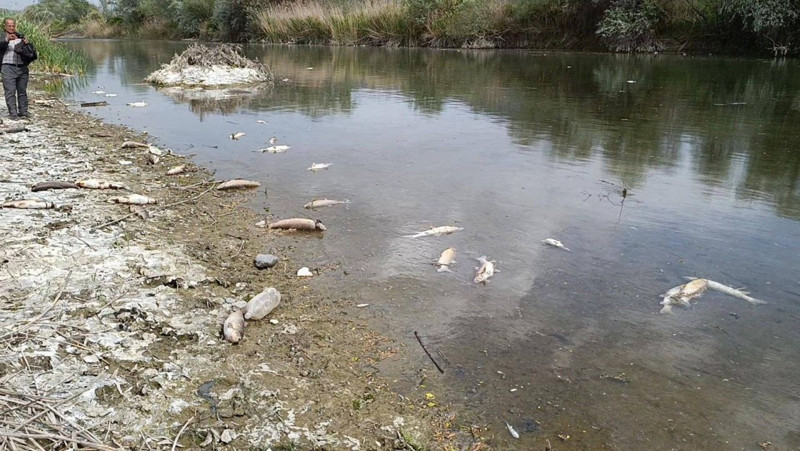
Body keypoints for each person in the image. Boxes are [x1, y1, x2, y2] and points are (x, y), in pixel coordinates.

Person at [0, 18, 30, 120]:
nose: (11, 28)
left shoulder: (20, 36)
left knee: (22, 90)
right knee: (10, 91)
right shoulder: (1, 36)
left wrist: (26, 44)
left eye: (13, 26)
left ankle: (23, 112)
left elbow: (29, 51)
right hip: (7, 66)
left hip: (22, 67)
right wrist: (7, 40)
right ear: (5, 26)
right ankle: (13, 113)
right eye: (9, 26)